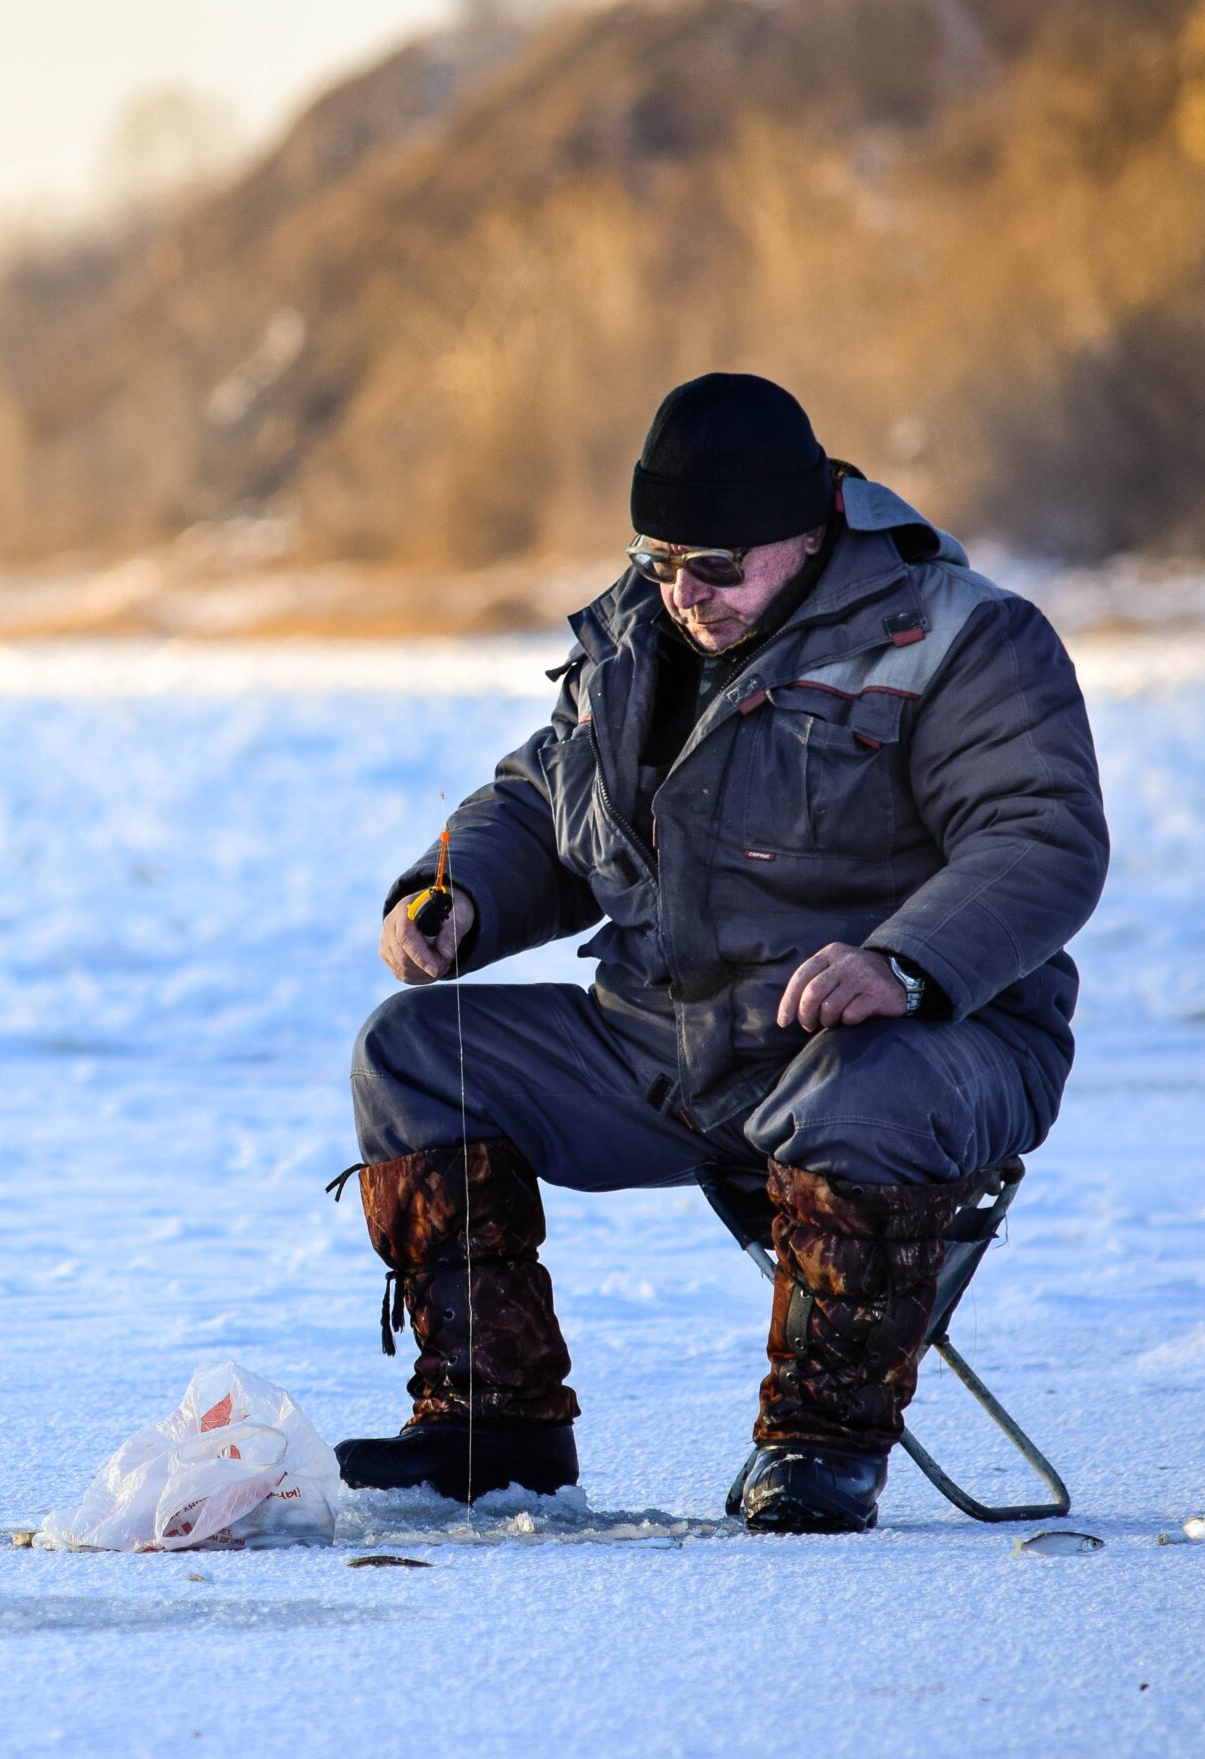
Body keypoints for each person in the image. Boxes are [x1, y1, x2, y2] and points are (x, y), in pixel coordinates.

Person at [336, 372, 1109, 1533]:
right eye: (660, 560)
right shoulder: (632, 638)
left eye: (715, 567)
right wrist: (451, 898)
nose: (682, 592)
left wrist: (900, 964)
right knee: (411, 1055)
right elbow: (545, 803)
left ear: (804, 534)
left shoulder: (960, 635)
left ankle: (818, 1446)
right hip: (675, 1041)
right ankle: (493, 1426)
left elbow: (1041, 835)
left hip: (929, 1039)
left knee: (866, 1085)